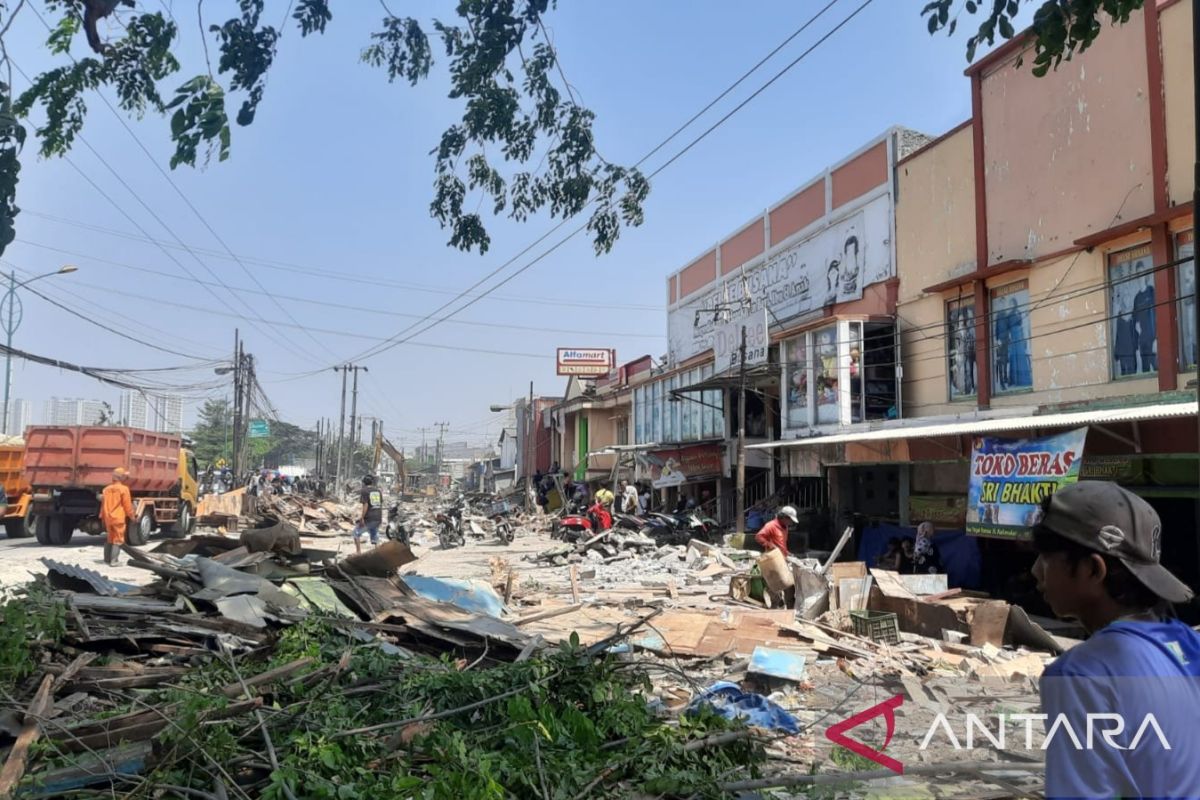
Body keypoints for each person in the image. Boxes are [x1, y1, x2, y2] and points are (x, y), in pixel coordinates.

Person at [1031, 481, 1200, 798]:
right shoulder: (1188, 643)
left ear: (1093, 571)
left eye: (1045, 557)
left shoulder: (1079, 675)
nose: (1035, 571)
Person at [100, 467, 135, 567]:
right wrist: (132, 516)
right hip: (118, 517)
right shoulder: (124, 489)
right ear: (122, 477)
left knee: (110, 538)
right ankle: (114, 561)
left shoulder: (106, 489)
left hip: (108, 518)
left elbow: (103, 505)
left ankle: (107, 559)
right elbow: (127, 505)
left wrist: (102, 516)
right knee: (118, 539)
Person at [353, 475, 384, 554]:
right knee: (374, 536)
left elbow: (366, 505)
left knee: (356, 533)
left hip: (369, 518)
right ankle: (378, 554)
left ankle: (358, 552)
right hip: (377, 517)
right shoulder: (378, 491)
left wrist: (362, 518)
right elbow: (380, 504)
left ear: (363, 483)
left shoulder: (364, 491)